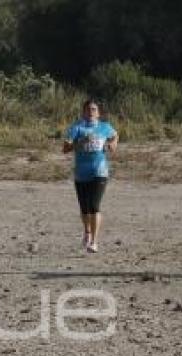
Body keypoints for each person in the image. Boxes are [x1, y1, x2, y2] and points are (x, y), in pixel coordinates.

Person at [63, 98, 118, 253]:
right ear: (83, 112)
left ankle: (94, 241)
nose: (91, 112)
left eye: (94, 109)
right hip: (81, 173)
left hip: (99, 171)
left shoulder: (104, 127)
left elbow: (115, 135)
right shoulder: (77, 127)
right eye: (88, 109)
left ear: (99, 113)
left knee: (94, 206)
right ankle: (87, 232)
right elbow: (65, 148)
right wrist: (77, 144)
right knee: (84, 208)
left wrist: (113, 143)